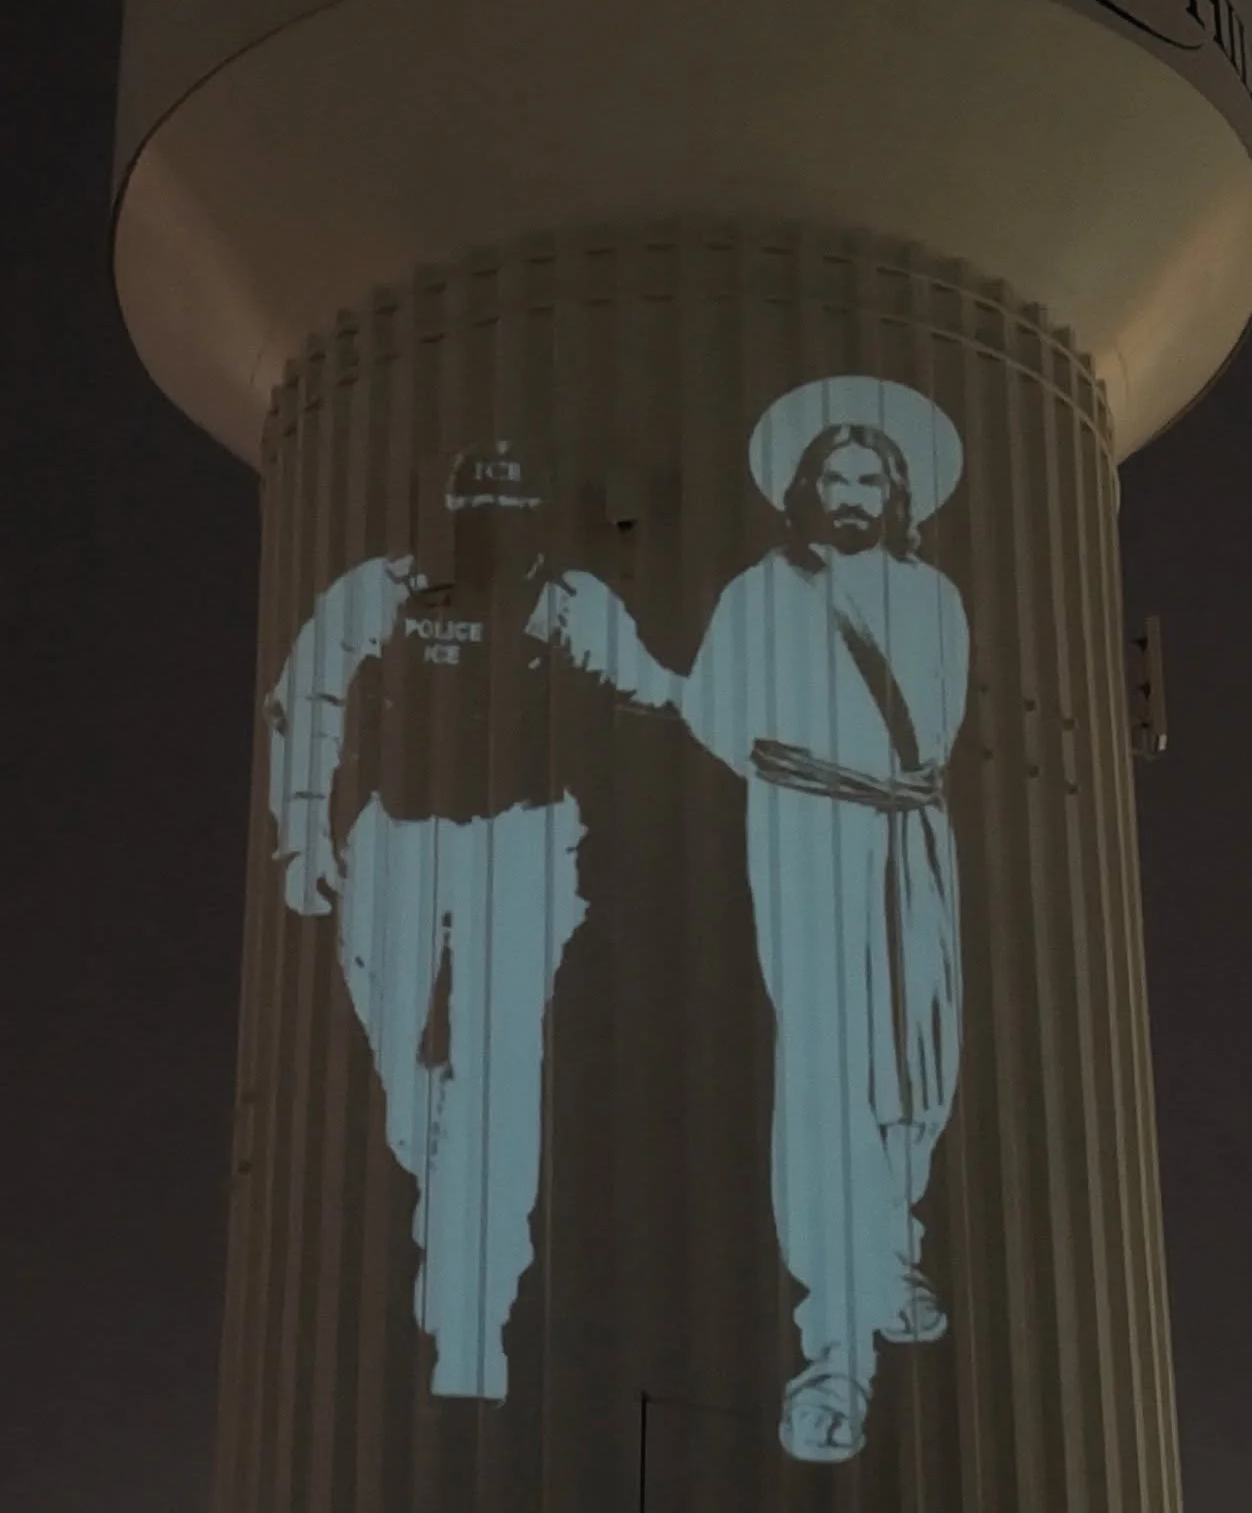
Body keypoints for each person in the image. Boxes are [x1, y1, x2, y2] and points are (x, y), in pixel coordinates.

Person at [265, 443, 668, 1401]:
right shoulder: (380, 592)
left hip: (518, 846)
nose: (485, 525)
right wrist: (300, 837)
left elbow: (650, 690)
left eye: (504, 506)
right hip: (398, 846)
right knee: (407, 1090)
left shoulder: (563, 600)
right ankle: (437, 1170)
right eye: (470, 505)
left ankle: (474, 1320)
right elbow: (306, 702)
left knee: (498, 1082)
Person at [675, 378, 970, 1464]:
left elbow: (943, 716)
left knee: (920, 1058)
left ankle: (894, 1240)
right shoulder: (765, 589)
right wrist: (812, 769)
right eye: (837, 480)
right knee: (831, 1068)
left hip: (912, 839)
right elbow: (716, 713)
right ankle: (832, 1343)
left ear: (898, 496)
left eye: (872, 482)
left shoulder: (935, 596)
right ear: (806, 491)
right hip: (810, 838)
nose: (854, 497)